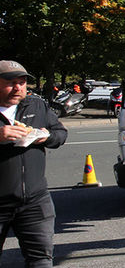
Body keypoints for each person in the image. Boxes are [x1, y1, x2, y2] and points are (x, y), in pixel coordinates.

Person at [0, 60, 68, 267]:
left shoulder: (36, 105)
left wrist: (46, 137)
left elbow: (60, 133)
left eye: (22, 82)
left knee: (41, 260)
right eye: (10, 82)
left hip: (34, 201)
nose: (18, 88)